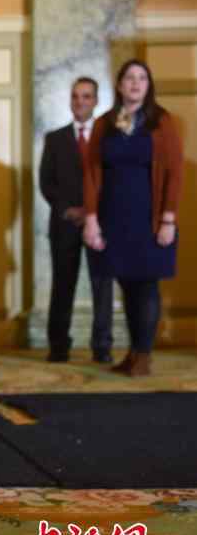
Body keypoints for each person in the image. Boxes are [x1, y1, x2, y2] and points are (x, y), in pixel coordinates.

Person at [82, 59, 183, 377]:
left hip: (149, 216)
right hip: (114, 215)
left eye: (142, 78)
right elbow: (91, 173)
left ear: (149, 85)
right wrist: (91, 218)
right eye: (129, 78)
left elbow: (174, 172)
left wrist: (168, 218)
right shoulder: (104, 123)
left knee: (147, 284)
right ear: (120, 85)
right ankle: (133, 352)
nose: (136, 83)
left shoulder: (162, 121)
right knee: (126, 283)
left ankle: (144, 355)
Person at [40, 77, 114, 363]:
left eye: (86, 96)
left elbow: (113, 179)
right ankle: (58, 347)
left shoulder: (108, 138)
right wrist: (69, 210)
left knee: (102, 286)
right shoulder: (54, 138)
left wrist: (95, 212)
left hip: (102, 224)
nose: (80, 101)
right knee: (62, 286)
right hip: (65, 224)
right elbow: (46, 182)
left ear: (96, 101)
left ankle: (102, 347)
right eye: (75, 96)